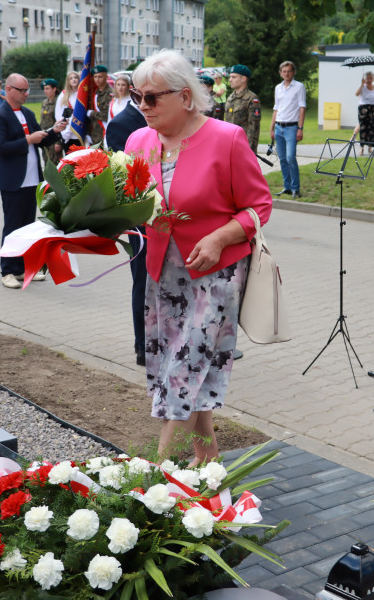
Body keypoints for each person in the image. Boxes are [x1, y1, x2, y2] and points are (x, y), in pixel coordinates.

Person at [124, 50, 272, 464]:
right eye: (138, 96)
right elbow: (130, 202)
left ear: (185, 97)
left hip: (215, 274)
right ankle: (207, 460)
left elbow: (258, 207)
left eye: (153, 98)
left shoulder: (226, 138)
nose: (143, 106)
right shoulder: (139, 141)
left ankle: (152, 479)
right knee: (185, 364)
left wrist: (219, 237)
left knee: (183, 370)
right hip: (162, 274)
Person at [0, 73, 66, 289]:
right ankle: (7, 270)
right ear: (9, 89)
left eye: (26, 90)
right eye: (22, 90)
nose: (26, 94)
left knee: (26, 226)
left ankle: (22, 268)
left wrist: (54, 131)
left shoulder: (26, 112)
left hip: (32, 180)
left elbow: (41, 140)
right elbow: (0, 148)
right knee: (12, 226)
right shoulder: (0, 115)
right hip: (13, 181)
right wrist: (27, 140)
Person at [105, 96, 150, 365]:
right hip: (140, 216)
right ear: (137, 94)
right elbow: (123, 174)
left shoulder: (160, 119)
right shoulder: (122, 124)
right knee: (142, 281)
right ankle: (143, 346)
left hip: (167, 216)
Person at [269, 60, 307, 198]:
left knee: (291, 157)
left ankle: (296, 188)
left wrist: (300, 128)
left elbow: (302, 107)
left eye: (289, 71)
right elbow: (276, 108)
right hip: (279, 126)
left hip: (292, 127)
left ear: (293, 72)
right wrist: (272, 128)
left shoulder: (299, 87)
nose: (287, 73)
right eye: (284, 71)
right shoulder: (278, 88)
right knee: (283, 159)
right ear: (280, 73)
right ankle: (287, 187)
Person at [224, 64, 261, 152]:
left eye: (233, 77)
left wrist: (248, 149)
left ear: (243, 79)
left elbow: (253, 127)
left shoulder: (252, 99)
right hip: (230, 144)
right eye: (230, 77)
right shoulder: (230, 98)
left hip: (243, 146)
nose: (230, 80)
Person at [38, 78, 63, 165]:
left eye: (47, 88)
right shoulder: (45, 102)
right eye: (44, 89)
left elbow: (60, 122)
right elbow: (42, 121)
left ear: (54, 89)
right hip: (45, 137)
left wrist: (58, 142)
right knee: (46, 162)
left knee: (55, 164)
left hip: (54, 139)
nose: (45, 91)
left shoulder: (58, 102)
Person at [355, 71, 374, 153]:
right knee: (363, 128)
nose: (369, 80)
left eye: (371, 78)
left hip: (372, 109)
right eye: (367, 78)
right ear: (365, 79)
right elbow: (356, 94)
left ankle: (370, 147)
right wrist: (362, 84)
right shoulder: (363, 86)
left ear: (373, 79)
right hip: (363, 109)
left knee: (371, 128)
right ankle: (361, 147)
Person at [57, 70, 82, 148]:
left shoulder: (82, 94)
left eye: (75, 77)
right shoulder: (63, 95)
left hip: (79, 130)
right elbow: (58, 113)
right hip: (67, 132)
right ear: (68, 81)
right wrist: (65, 130)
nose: (73, 80)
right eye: (71, 78)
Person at [90, 65, 112, 145]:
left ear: (106, 77)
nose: (97, 79)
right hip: (95, 134)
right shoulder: (95, 92)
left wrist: (92, 113)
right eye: (95, 77)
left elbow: (106, 115)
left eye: (100, 77)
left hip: (105, 133)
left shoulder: (110, 93)